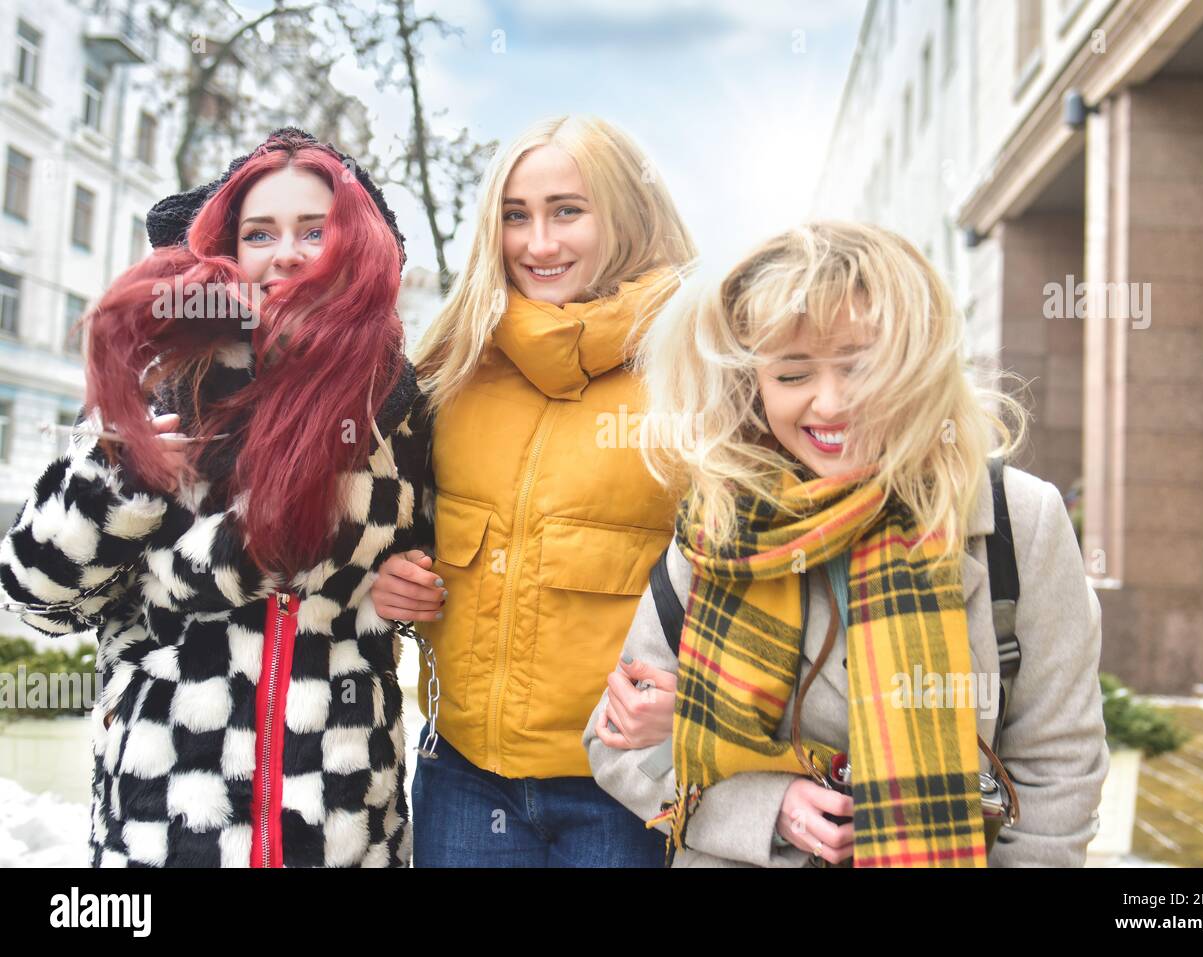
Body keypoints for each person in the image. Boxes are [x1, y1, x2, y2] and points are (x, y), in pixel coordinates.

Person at [584, 221, 1109, 867]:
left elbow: (1059, 770)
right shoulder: (718, 524)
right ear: (754, 384)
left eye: (862, 365)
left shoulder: (1017, 518)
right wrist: (766, 806)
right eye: (793, 373)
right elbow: (617, 742)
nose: (830, 404)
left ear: (917, 363)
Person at [0, 128, 438, 867]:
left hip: (342, 824)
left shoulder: (395, 407)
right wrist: (126, 475)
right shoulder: (163, 379)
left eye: (315, 230)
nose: (287, 252)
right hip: (167, 822)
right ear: (227, 253)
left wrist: (412, 585)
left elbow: (436, 563)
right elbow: (36, 594)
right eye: (258, 232)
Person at [371, 115, 694, 867]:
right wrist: (392, 575)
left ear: (627, 213)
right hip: (462, 777)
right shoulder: (453, 367)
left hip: (626, 782)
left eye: (567, 212)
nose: (537, 243)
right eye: (516, 216)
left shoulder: (695, 372)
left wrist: (703, 701)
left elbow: (751, 578)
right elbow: (391, 524)